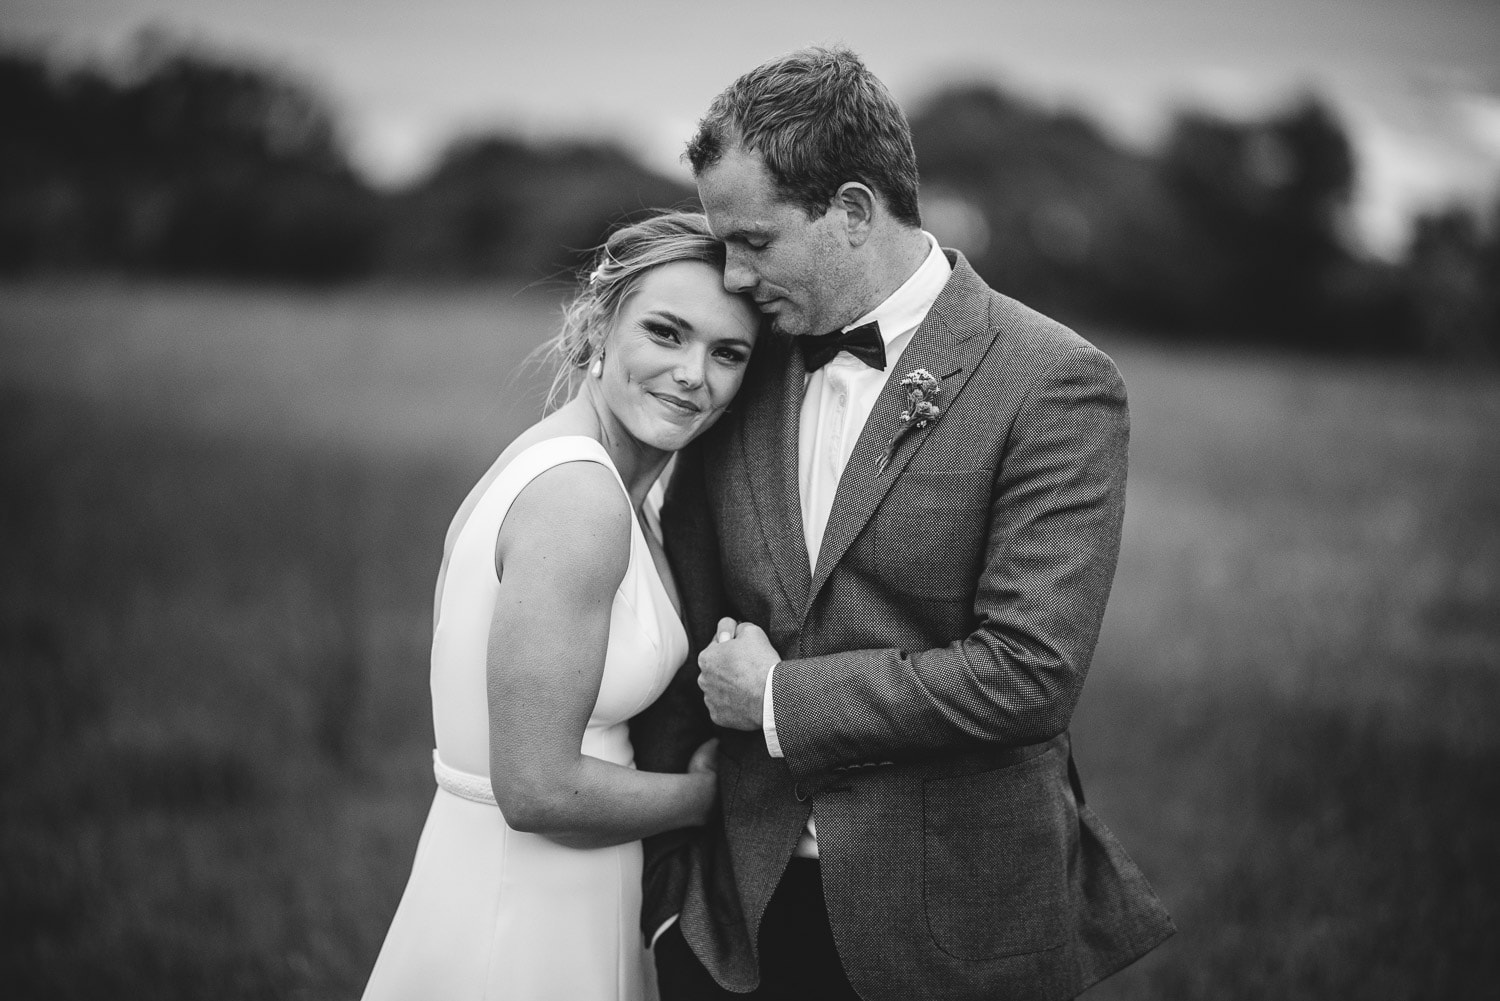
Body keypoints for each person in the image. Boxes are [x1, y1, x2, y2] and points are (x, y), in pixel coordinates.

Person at [630, 48, 1175, 1001]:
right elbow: (686, 636)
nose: (733, 273)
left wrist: (778, 699)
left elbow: (1029, 674)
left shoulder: (1053, 382)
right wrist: (671, 893)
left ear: (849, 210)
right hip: (735, 926)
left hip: (951, 932)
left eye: (754, 240)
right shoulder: (742, 363)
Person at [361, 210, 760, 1001]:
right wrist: (719, 794)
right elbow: (538, 788)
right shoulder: (578, 498)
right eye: (667, 333)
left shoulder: (621, 489)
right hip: (519, 914)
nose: (693, 373)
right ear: (597, 326)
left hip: (568, 893)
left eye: (727, 353)